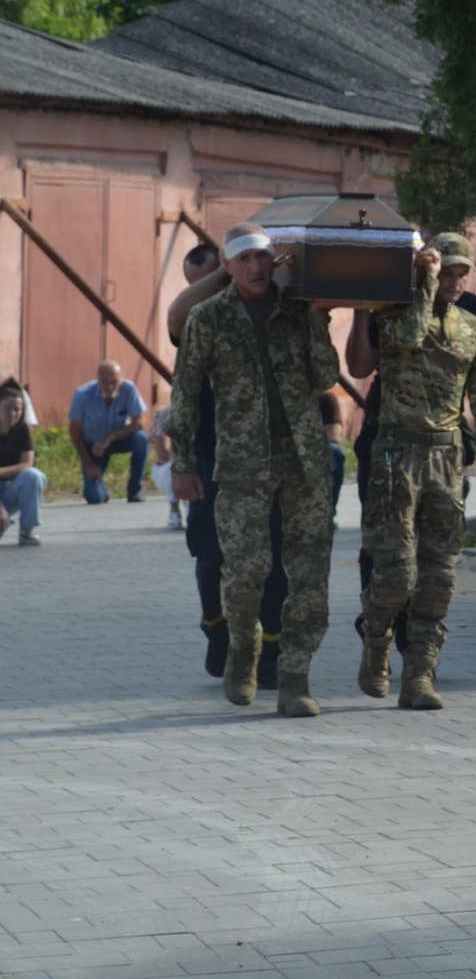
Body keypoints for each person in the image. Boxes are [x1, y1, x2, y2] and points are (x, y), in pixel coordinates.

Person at [167, 222, 340, 717]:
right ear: (229, 266)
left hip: (303, 461)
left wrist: (318, 319)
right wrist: (181, 464)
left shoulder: (297, 311)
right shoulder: (209, 318)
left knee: (309, 574)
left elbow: (325, 376)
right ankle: (243, 649)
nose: (256, 267)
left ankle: (294, 678)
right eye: (244, 259)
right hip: (242, 464)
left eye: (263, 257)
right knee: (244, 568)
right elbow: (185, 394)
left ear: (274, 260)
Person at [347, 229, 476, 653]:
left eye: (462, 273)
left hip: (444, 448)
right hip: (387, 440)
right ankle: (379, 624)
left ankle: (416, 647)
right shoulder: (396, 308)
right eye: (445, 272)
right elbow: (361, 365)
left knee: (435, 553)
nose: (454, 282)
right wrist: (361, 310)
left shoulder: (475, 315)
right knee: (386, 546)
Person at [69, 361, 149, 504]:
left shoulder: (129, 389)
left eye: (114, 382)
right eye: (105, 382)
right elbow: (74, 430)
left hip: (118, 439)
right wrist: (88, 463)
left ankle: (134, 490)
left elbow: (139, 422)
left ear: (121, 379)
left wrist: (109, 438)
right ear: (98, 379)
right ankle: (100, 490)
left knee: (141, 439)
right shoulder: (82, 395)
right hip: (93, 445)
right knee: (94, 498)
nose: (110, 386)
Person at [0, 384, 47, 545]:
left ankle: (27, 531)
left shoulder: (22, 430)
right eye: (7, 408)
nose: (13, 414)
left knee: (33, 476)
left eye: (17, 409)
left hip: (9, 489)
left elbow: (27, 463)